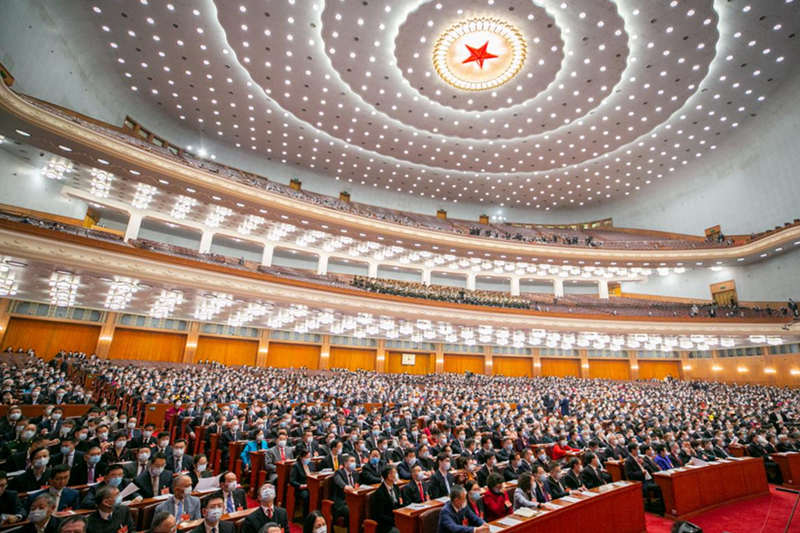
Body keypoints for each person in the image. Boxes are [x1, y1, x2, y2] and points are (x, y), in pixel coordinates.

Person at [369, 466, 403, 533]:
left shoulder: (396, 488)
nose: (396, 475)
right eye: (395, 473)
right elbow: (379, 515)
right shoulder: (379, 493)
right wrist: (395, 520)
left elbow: (400, 504)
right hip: (385, 524)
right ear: (389, 476)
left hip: (397, 518)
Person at [331, 455, 359, 524]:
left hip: (353, 499)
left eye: (354, 461)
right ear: (346, 463)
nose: (354, 463)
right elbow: (338, 481)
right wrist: (345, 486)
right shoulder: (339, 472)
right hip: (342, 501)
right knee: (352, 510)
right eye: (352, 461)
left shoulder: (355, 473)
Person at [289, 448, 313, 517]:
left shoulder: (311, 464)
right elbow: (292, 481)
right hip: (301, 488)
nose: (309, 459)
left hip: (311, 486)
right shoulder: (296, 466)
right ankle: (306, 516)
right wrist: (301, 485)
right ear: (302, 457)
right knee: (307, 496)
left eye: (309, 457)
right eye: (307, 457)